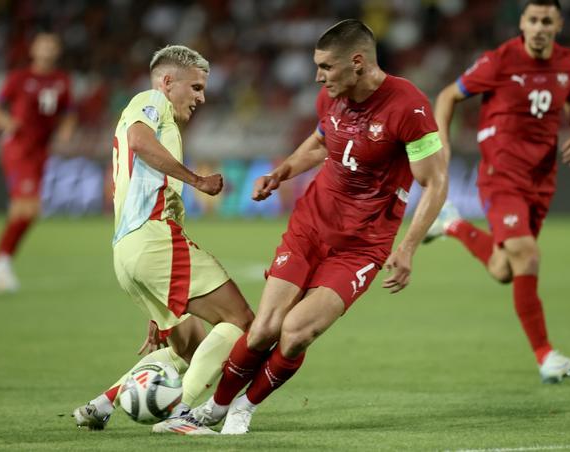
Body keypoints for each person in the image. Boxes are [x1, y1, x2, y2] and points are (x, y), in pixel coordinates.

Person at [154, 19, 448, 435]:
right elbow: (319, 143)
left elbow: (436, 182)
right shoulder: (332, 98)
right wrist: (282, 172)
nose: (318, 76)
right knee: (264, 329)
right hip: (310, 226)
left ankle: (245, 406)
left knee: (295, 333)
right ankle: (214, 409)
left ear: (358, 63)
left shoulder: (409, 107)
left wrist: (409, 247)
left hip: (361, 246)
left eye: (326, 67)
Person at [71, 45, 254, 435]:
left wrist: (157, 311)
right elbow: (139, 140)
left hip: (128, 252)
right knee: (239, 319)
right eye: (196, 87)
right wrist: (198, 180)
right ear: (168, 82)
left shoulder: (164, 120)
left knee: (188, 346)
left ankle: (103, 403)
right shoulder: (151, 100)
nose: (201, 97)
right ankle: (183, 415)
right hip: (154, 237)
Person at [425, 0, 570, 383]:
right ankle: (546, 356)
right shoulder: (500, 60)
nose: (539, 27)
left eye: (547, 20)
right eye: (533, 20)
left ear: (558, 24)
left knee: (503, 269)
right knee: (527, 256)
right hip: (501, 174)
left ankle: (451, 224)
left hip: (541, 179)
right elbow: (448, 96)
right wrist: (442, 145)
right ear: (522, 24)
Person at [0, 32, 77, 293]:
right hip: (19, 149)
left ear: (57, 51)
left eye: (52, 45)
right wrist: (6, 122)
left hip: (40, 151)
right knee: (28, 208)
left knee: (23, 211)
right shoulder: (19, 78)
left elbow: (69, 112)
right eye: (43, 44)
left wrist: (67, 129)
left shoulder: (61, 81)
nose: (47, 49)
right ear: (33, 49)